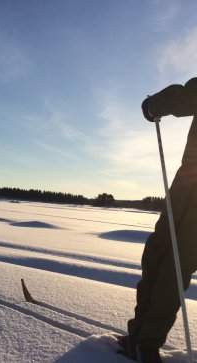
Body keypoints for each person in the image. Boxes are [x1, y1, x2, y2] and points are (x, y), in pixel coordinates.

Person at [118, 77, 197, 363]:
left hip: (193, 185)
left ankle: (142, 341)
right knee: (179, 260)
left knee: (167, 258)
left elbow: (188, 97)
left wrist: (153, 106)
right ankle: (143, 338)